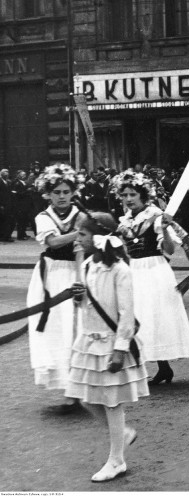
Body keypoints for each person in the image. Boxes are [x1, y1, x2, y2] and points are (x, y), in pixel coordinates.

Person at [67, 212, 148, 482]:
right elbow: (86, 306)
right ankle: (123, 434)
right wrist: (78, 298)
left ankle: (117, 460)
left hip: (111, 342)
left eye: (82, 234)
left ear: (99, 238)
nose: (77, 239)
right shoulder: (89, 264)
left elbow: (126, 313)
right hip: (89, 340)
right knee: (84, 397)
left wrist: (120, 348)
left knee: (112, 402)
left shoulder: (120, 270)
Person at [112, 170, 189, 385]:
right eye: (124, 195)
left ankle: (161, 366)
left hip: (154, 270)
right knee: (136, 315)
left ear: (143, 195)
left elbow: (168, 250)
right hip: (133, 270)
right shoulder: (125, 220)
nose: (128, 199)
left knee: (154, 316)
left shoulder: (156, 217)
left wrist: (167, 230)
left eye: (132, 194)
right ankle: (154, 368)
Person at [27, 164, 85, 412]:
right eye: (56, 192)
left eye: (66, 191)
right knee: (55, 329)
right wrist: (82, 231)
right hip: (51, 275)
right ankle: (66, 389)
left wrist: (81, 280)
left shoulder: (80, 215)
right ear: (48, 194)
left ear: (73, 192)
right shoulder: (43, 217)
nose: (61, 196)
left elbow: (80, 249)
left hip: (73, 272)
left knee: (78, 328)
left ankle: (78, 390)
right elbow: (53, 241)